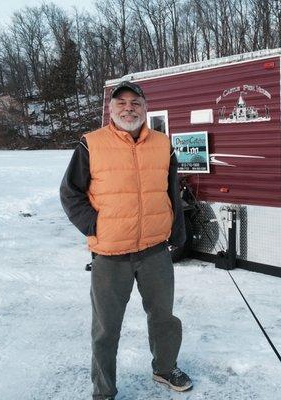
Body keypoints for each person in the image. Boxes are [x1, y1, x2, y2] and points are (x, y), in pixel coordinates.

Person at [60, 81, 192, 400]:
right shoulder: (91, 144)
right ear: (110, 109)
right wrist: (96, 226)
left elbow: (171, 190)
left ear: (145, 109)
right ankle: (104, 391)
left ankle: (164, 367)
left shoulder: (163, 144)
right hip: (110, 254)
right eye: (121, 103)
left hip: (155, 251)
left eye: (135, 102)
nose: (128, 107)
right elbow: (70, 193)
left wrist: (178, 231)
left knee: (164, 317)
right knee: (106, 328)